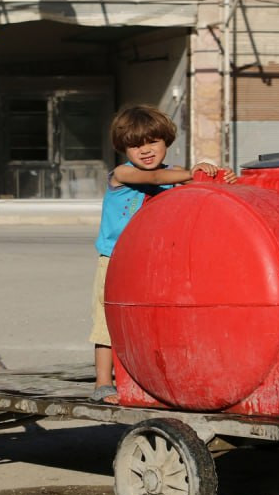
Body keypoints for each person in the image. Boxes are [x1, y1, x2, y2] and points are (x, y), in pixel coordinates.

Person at [88, 105, 234, 404]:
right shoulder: (122, 173)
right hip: (115, 262)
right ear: (123, 149)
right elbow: (154, 179)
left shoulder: (172, 176)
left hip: (152, 264)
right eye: (135, 145)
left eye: (152, 142)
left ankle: (155, 377)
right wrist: (192, 174)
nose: (144, 150)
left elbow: (197, 192)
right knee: (107, 323)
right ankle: (103, 383)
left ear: (166, 141)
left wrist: (217, 175)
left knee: (152, 321)